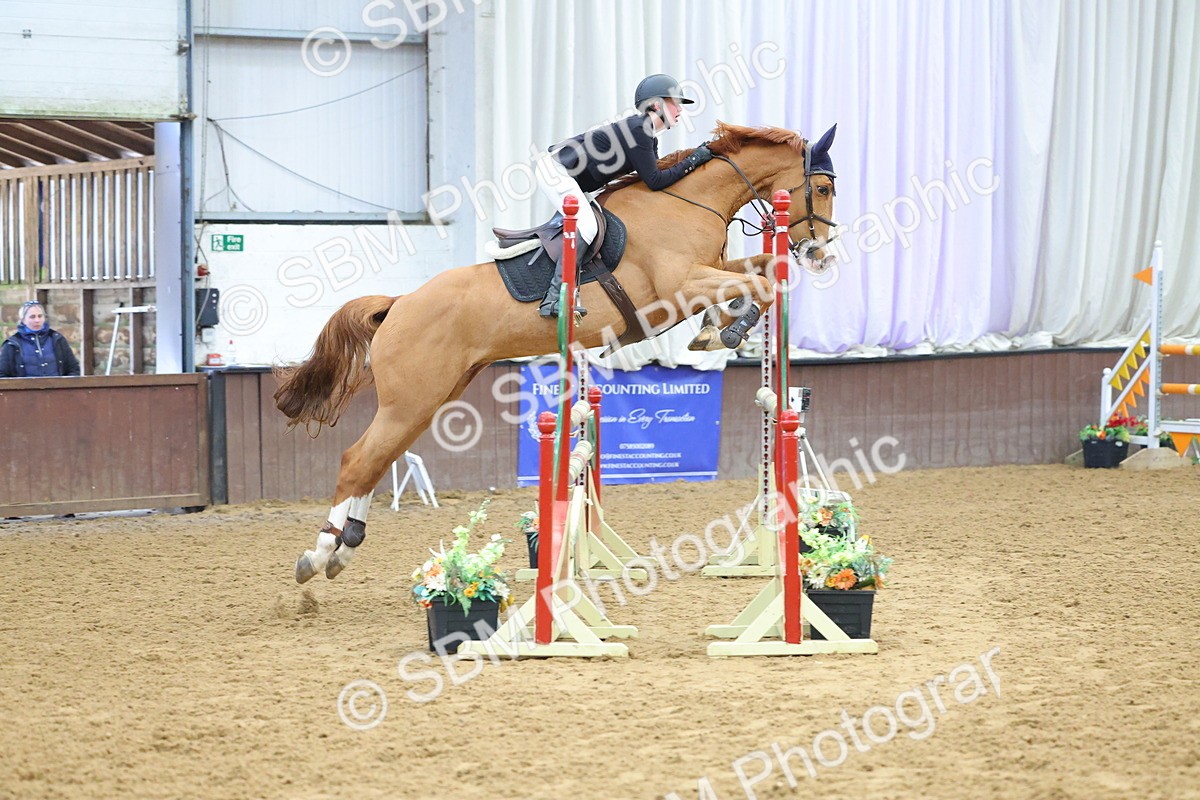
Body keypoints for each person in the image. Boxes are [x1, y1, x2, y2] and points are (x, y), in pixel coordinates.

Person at [535, 73, 715, 316]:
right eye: (674, 102)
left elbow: (654, 178)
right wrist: (694, 160)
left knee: (592, 223)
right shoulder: (639, 130)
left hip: (570, 176)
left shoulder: (646, 135)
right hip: (556, 170)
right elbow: (655, 181)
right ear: (656, 104)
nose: (680, 109)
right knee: (587, 227)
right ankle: (555, 298)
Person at [0, 300, 81, 378]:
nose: (37, 320)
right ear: (23, 320)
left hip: (56, 390)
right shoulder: (12, 344)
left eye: (40, 316)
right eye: (32, 317)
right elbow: (2, 374)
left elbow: (73, 368)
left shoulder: (57, 339)